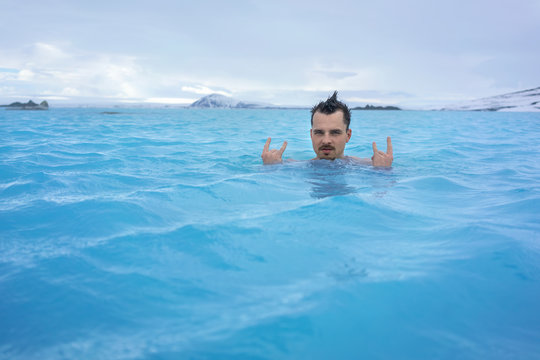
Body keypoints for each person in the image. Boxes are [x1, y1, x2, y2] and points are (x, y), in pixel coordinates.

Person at [261, 91, 393, 167]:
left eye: (335, 132)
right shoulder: (290, 166)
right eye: (319, 132)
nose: (326, 140)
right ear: (311, 135)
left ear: (348, 135)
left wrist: (383, 172)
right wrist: (270, 168)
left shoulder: (370, 165)